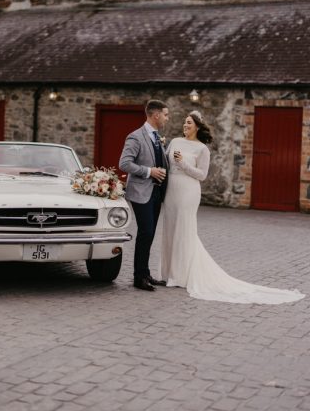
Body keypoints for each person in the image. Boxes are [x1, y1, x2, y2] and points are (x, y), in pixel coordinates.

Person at [159, 110, 304, 304]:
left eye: (189, 123)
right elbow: (165, 163)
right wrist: (161, 147)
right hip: (171, 191)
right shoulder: (175, 142)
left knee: (184, 230)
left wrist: (183, 163)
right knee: (169, 228)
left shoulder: (202, 149)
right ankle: (167, 273)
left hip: (188, 191)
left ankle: (180, 276)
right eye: (184, 122)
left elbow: (201, 175)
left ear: (198, 127)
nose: (185, 126)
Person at [119, 99, 169, 291]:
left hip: (156, 193)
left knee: (149, 235)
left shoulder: (157, 137)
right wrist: (150, 172)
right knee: (145, 233)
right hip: (141, 192)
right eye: (165, 114)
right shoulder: (135, 137)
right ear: (155, 115)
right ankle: (139, 277)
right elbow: (124, 163)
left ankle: (145, 273)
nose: (167, 118)